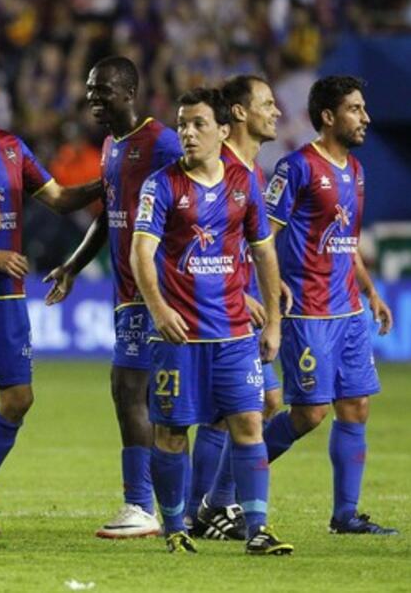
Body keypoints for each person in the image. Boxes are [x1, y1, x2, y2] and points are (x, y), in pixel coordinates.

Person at [0, 48, 102, 533]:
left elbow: (59, 199)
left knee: (19, 398)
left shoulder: (12, 148)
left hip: (7, 297)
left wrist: (106, 183)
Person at [131, 87, 292, 555]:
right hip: (180, 337)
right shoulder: (160, 185)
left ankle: (257, 528)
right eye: (182, 124)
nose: (186, 132)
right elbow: (143, 253)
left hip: (234, 335)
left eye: (198, 123)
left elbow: (263, 252)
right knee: (172, 432)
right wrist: (159, 309)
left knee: (249, 423)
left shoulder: (245, 183)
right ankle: (176, 526)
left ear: (224, 130)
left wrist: (274, 323)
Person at [43, 56, 182, 539]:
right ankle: (168, 505)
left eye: (100, 91)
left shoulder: (163, 143)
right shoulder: (111, 147)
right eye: (89, 90)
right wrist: (73, 267)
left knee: (135, 391)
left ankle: (143, 506)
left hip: (158, 291)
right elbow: (109, 214)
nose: (91, 100)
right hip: (127, 292)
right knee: (140, 394)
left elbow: (191, 204)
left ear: (128, 91)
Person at [262, 75, 397, 535]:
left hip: (348, 310)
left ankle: (345, 515)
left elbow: (346, 242)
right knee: (308, 414)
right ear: (328, 116)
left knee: (355, 406)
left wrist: (371, 292)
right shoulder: (295, 168)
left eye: (363, 109)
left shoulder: (355, 171)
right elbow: (263, 237)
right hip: (307, 312)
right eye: (355, 109)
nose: (366, 118)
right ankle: (226, 486)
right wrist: (271, 288)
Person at [185, 75, 287, 540]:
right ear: (240, 114)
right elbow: (190, 243)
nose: (277, 111)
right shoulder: (213, 162)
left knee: (258, 404)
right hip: (211, 310)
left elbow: (253, 244)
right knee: (235, 409)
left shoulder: (251, 173)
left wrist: (269, 286)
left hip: (239, 304)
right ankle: (205, 506)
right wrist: (238, 290)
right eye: (267, 103)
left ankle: (211, 505)